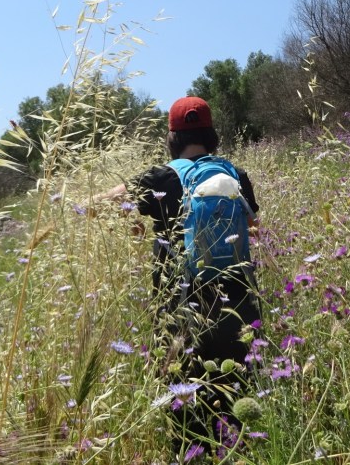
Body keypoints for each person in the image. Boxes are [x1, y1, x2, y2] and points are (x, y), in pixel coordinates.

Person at [92, 96, 261, 459]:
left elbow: (95, 205)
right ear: (211, 134)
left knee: (185, 411)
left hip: (180, 309)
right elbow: (252, 225)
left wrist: (138, 221)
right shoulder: (234, 174)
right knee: (239, 405)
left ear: (172, 136)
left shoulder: (161, 177)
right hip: (238, 305)